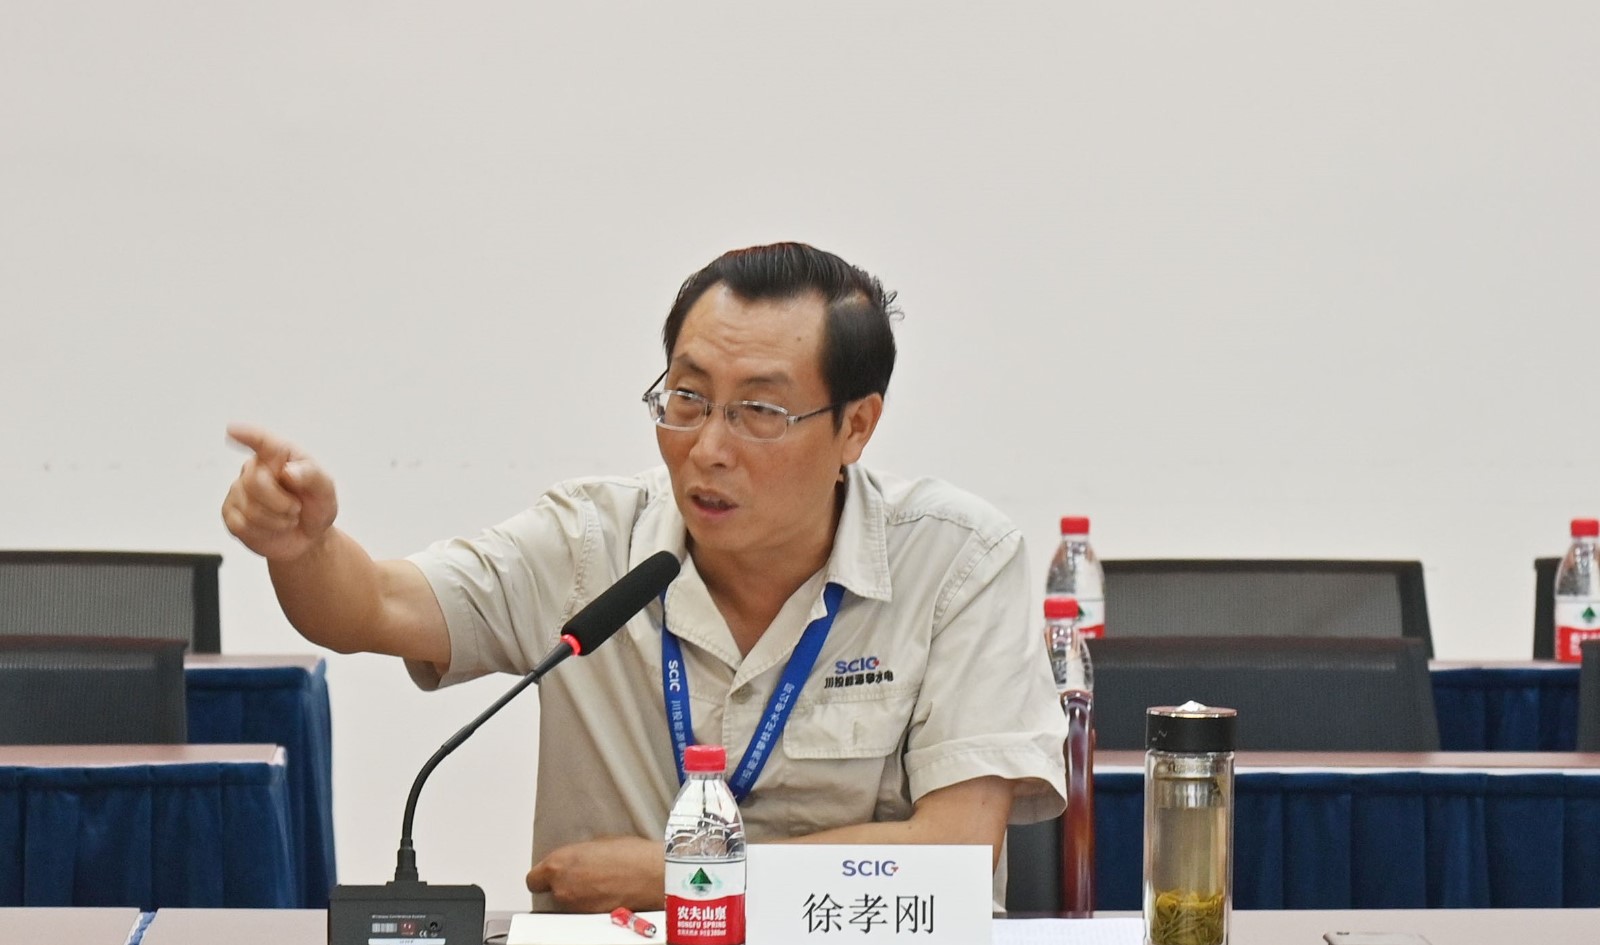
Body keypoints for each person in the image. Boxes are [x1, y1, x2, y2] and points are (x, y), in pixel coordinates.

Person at [222, 242, 1068, 912]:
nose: (709, 448)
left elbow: (956, 849)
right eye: (688, 398)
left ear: (856, 426)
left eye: (760, 412)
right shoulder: (590, 544)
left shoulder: (955, 562)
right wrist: (302, 546)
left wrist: (677, 875)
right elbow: (371, 606)